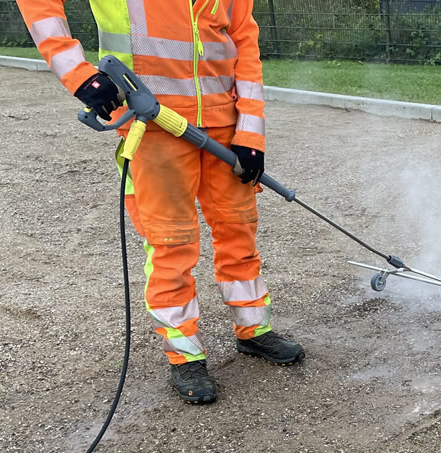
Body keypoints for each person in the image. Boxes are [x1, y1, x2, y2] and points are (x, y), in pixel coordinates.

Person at [16, 0, 304, 405]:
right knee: (172, 243)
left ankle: (254, 330)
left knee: (238, 231)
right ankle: (185, 355)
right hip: (153, 124)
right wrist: (78, 74)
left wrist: (251, 134)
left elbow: (245, 43)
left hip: (225, 125)